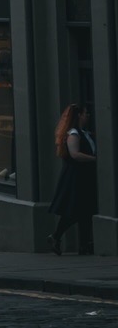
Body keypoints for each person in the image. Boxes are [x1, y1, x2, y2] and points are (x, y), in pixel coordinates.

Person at [50, 102, 98, 254]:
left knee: (84, 211)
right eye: (86, 113)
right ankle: (57, 236)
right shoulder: (73, 134)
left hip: (84, 177)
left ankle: (83, 244)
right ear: (79, 116)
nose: (88, 116)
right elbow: (75, 154)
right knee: (77, 211)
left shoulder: (85, 133)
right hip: (76, 177)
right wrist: (94, 159)